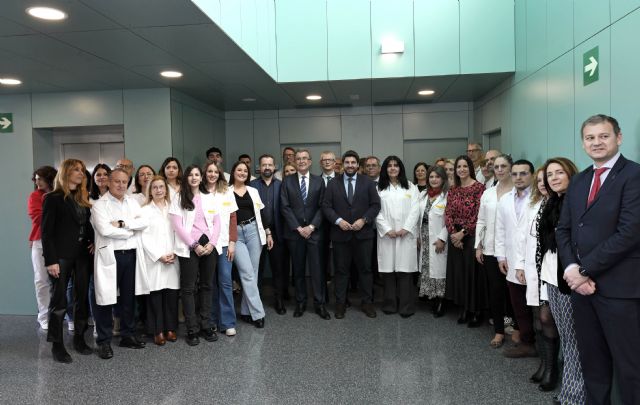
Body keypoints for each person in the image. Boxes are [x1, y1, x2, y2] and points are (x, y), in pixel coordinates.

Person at [91, 168, 149, 359]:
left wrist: (123, 224)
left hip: (130, 255)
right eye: (117, 181)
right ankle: (104, 341)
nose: (121, 185)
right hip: (110, 256)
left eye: (124, 182)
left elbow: (144, 222)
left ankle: (127, 335)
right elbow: (105, 230)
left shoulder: (132, 202)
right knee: (105, 300)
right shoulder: (99, 205)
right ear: (108, 182)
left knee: (128, 298)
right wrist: (130, 231)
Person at [42, 159, 93, 362]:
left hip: (82, 255)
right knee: (59, 301)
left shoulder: (82, 198)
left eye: (82, 170)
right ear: (66, 173)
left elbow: (86, 226)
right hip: (60, 257)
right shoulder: (52, 198)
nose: (81, 173)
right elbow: (47, 233)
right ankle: (57, 345)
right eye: (76, 170)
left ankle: (79, 339)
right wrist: (51, 261)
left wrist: (94, 241)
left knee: (81, 298)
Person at [322, 150, 381, 319]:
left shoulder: (368, 182)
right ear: (342, 164)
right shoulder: (333, 183)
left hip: (363, 235)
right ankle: (340, 304)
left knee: (366, 270)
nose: (350, 165)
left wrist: (364, 220)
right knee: (341, 271)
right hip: (341, 235)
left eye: (353, 163)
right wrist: (338, 220)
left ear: (357, 165)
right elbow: (326, 206)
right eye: (347, 162)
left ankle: (367, 303)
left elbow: (375, 205)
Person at [170, 165, 220, 346]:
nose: (194, 177)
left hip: (209, 246)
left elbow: (217, 222)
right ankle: (192, 328)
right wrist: (193, 244)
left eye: (197, 174)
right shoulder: (179, 197)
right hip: (189, 246)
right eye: (190, 174)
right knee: (189, 288)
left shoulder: (209, 197)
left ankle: (206, 324)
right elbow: (177, 225)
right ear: (186, 177)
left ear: (202, 177)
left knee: (207, 285)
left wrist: (212, 244)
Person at [495, 160, 537, 358]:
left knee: (537, 308)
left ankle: (543, 346)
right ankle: (527, 343)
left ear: (532, 175)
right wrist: (501, 256)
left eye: (523, 173)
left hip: (534, 262)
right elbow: (500, 229)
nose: (518, 178)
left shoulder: (539, 198)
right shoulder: (505, 200)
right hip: (511, 260)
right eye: (515, 174)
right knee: (518, 305)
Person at [280, 149, 329, 319]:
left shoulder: (319, 181)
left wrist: (312, 226)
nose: (301, 161)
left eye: (304, 159)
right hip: (295, 234)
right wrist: (298, 228)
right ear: (294, 162)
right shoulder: (287, 182)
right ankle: (300, 303)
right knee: (298, 270)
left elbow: (323, 206)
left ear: (310, 161)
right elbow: (284, 207)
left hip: (314, 233)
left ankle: (319, 304)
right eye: (298, 159)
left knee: (317, 270)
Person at [475, 154, 514, 346]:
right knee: (496, 290)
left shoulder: (519, 191)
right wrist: (478, 245)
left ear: (510, 168)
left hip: (513, 250)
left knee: (515, 291)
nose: (499, 170)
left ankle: (518, 329)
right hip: (490, 249)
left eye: (503, 166)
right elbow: (481, 220)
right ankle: (498, 330)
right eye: (496, 167)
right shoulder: (488, 193)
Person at [376, 156, 420, 317]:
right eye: (389, 166)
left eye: (396, 165)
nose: (393, 168)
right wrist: (387, 229)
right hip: (387, 236)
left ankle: (406, 307)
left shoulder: (410, 187)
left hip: (405, 236)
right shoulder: (379, 188)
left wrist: (406, 228)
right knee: (388, 271)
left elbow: (416, 209)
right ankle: (389, 305)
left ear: (400, 168)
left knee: (405, 271)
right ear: (385, 169)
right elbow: (376, 211)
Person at [138, 176, 180, 346]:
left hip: (172, 256)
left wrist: (175, 252)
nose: (158, 190)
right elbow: (142, 236)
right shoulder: (145, 210)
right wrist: (158, 255)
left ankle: (170, 329)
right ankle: (157, 331)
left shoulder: (173, 208)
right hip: (154, 259)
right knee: (155, 295)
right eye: (154, 187)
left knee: (171, 295)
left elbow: (179, 231)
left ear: (166, 189)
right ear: (150, 191)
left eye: (161, 186)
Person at [444, 155, 486, 326]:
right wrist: (453, 234)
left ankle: (475, 310)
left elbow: (479, 214)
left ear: (470, 168)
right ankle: (463, 308)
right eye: (458, 167)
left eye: (464, 166)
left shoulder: (479, 188)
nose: (461, 169)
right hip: (455, 238)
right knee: (459, 275)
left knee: (472, 275)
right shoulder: (453, 190)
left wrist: (463, 233)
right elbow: (447, 214)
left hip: (472, 236)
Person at [230, 161, 271, 328]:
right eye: (239, 170)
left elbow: (261, 213)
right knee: (246, 273)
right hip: (236, 235)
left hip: (254, 230)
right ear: (233, 172)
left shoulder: (253, 191)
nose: (242, 172)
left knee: (252, 274)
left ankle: (247, 312)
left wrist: (268, 233)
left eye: (245, 171)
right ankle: (258, 313)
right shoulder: (225, 192)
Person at [204, 161, 239, 337]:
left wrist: (233, 242)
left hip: (225, 243)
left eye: (215, 172)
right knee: (209, 283)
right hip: (207, 244)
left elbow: (233, 219)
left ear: (220, 174)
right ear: (205, 173)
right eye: (209, 171)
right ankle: (211, 321)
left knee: (225, 282)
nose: (212, 174)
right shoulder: (199, 192)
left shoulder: (227, 192)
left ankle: (227, 322)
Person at [251, 155, 287, 315]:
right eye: (264, 164)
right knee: (256, 269)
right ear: (259, 167)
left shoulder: (282, 185)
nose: (267, 167)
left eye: (270, 165)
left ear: (275, 167)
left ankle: (279, 300)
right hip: (257, 233)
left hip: (278, 233)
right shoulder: (252, 186)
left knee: (278, 269)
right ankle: (255, 301)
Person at [28, 165, 57, 331]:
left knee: (61, 281)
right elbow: (38, 218)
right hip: (39, 241)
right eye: (36, 178)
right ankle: (44, 316)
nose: (37, 181)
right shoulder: (34, 196)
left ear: (50, 179)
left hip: (59, 242)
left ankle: (63, 315)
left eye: (41, 178)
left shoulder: (59, 194)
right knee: (41, 280)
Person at [418, 166, 449, 316]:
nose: (434, 179)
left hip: (439, 237)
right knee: (427, 268)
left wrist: (442, 238)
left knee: (439, 270)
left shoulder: (447, 195)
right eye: (431, 177)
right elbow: (417, 217)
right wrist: (418, 236)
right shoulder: (424, 194)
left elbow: (450, 220)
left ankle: (441, 300)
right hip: (424, 236)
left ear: (443, 179)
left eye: (437, 177)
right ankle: (432, 296)